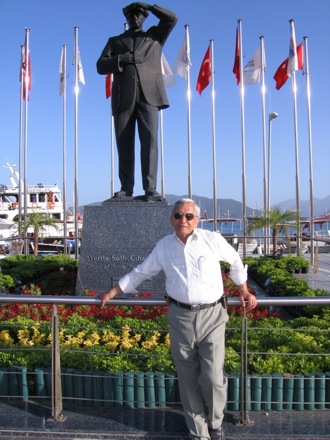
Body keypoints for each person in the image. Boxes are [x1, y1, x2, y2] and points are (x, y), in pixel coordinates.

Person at [99, 198, 257, 440]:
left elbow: (235, 261)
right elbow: (142, 272)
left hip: (212, 315)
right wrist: (114, 291)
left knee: (213, 377)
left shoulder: (211, 240)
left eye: (188, 216)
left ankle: (215, 422)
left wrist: (243, 289)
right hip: (180, 316)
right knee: (187, 379)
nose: (183, 220)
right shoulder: (164, 246)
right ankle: (198, 432)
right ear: (171, 218)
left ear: (197, 219)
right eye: (178, 216)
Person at [96, 2, 178, 201]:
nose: (135, 18)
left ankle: (150, 187)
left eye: (140, 15)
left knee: (150, 142)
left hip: (149, 95)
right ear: (126, 18)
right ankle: (126, 187)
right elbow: (100, 65)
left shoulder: (154, 36)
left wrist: (151, 6)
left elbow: (171, 18)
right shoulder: (115, 41)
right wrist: (120, 59)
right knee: (124, 143)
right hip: (123, 97)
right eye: (132, 15)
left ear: (145, 17)